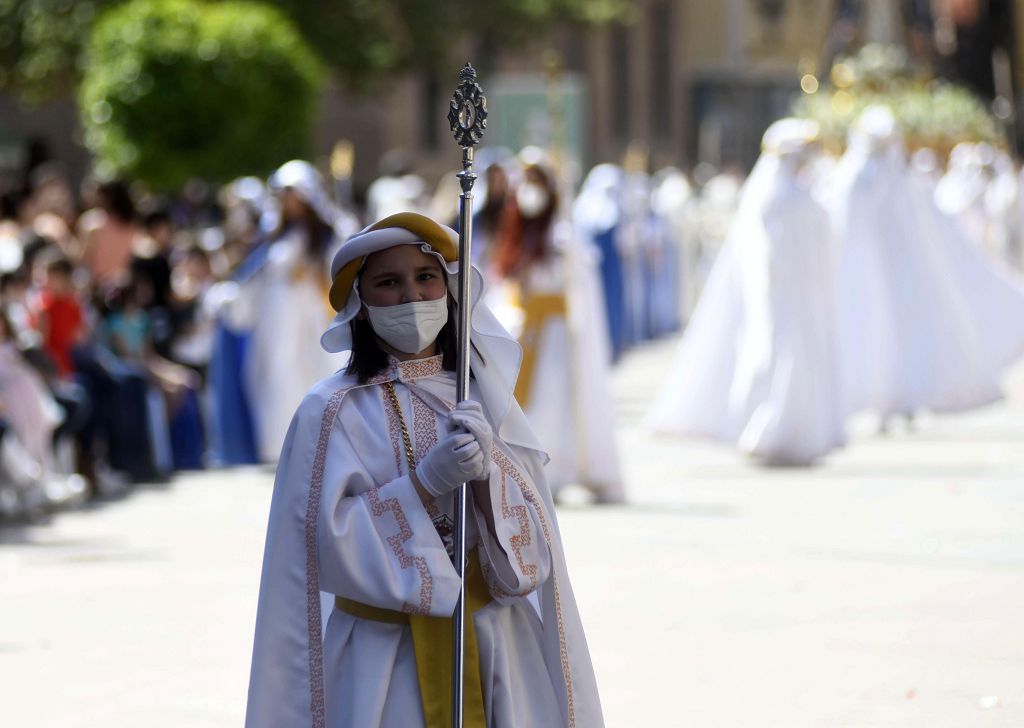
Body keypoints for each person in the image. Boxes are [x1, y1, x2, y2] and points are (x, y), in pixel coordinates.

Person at [245, 212, 604, 728]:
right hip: (385, 661)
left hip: (495, 642)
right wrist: (422, 486)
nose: (412, 296)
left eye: (426, 277)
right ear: (360, 305)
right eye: (388, 283)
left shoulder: (486, 400)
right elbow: (319, 545)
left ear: (450, 291)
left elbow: (532, 554)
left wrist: (487, 483)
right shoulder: (331, 412)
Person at [648, 118, 845, 465]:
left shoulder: (803, 198)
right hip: (778, 299)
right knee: (772, 361)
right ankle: (764, 429)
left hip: (803, 298)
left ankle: (799, 434)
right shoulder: (772, 198)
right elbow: (766, 257)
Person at [491, 150, 624, 503]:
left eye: (537, 182)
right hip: (523, 328)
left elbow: (579, 286)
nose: (529, 190)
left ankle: (557, 470)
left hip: (554, 334)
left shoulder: (563, 234)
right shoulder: (517, 227)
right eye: (526, 182)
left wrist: (570, 258)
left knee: (552, 401)